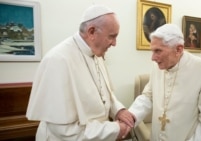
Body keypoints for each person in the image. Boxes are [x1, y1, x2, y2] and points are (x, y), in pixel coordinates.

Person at [26, 5, 135, 141]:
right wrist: (115, 130)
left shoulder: (96, 53)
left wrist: (118, 110)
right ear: (91, 32)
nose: (114, 43)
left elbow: (105, 94)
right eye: (112, 37)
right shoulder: (58, 60)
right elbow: (65, 131)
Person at [129, 24, 201, 141]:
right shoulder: (157, 66)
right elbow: (148, 96)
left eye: (158, 51)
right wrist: (130, 117)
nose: (153, 58)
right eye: (152, 51)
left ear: (178, 49)